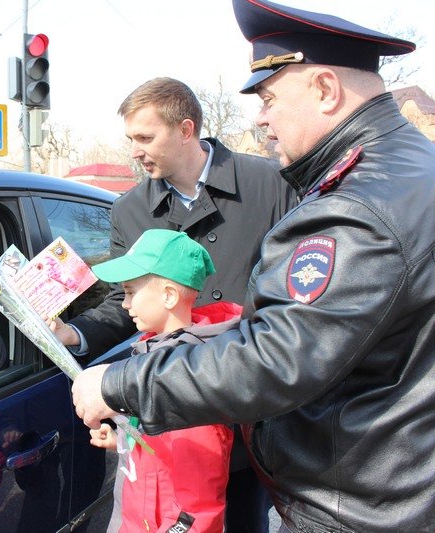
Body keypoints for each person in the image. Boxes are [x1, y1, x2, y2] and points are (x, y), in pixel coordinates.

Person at [71, 0, 435, 530]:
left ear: (326, 90)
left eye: (268, 99)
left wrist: (119, 386)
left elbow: (278, 353)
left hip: (355, 495)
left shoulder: (347, 203)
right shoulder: (408, 164)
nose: (260, 116)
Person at [52, 77, 295, 531]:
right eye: (131, 140)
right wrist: (75, 332)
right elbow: (120, 303)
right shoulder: (129, 210)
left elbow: (299, 290)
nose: (136, 151)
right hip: (173, 417)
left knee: (245, 518)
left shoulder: (269, 183)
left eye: (146, 137)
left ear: (186, 130)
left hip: (251, 405)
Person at [86, 229, 235, 532]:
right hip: (136, 516)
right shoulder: (151, 351)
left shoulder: (190, 379)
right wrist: (124, 443)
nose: (125, 304)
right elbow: (163, 446)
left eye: (130, 292)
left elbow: (199, 501)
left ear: (168, 295)